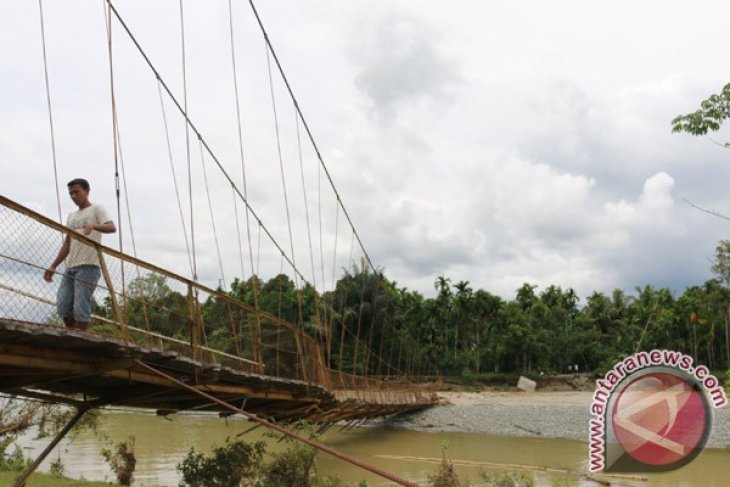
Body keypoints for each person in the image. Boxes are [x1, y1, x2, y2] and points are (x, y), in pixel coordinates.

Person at [43, 178, 116, 331]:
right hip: (71, 266)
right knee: (63, 304)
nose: (74, 196)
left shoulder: (97, 209)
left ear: (87, 191)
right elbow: (67, 243)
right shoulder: (71, 216)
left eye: (77, 192)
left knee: (80, 307)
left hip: (89, 266)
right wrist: (53, 266)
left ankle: (80, 335)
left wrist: (94, 226)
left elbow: (111, 227)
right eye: (71, 193)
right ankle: (73, 332)